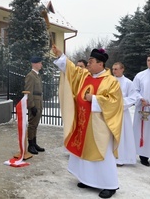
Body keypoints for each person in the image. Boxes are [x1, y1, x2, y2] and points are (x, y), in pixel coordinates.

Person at [52, 45, 123, 198]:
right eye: (89, 61)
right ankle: (87, 179)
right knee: (83, 151)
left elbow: (115, 102)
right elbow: (71, 70)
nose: (88, 64)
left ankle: (110, 185)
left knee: (102, 155)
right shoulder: (85, 75)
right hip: (83, 122)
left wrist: (96, 99)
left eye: (91, 61)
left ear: (100, 64)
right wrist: (60, 55)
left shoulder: (111, 81)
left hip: (99, 127)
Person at [112, 62, 138, 166]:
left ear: (122, 69)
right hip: (110, 113)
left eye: (116, 69)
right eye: (113, 69)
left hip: (122, 113)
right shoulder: (109, 81)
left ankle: (120, 158)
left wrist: (119, 103)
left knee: (122, 135)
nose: (114, 71)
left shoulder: (128, 83)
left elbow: (133, 97)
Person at [24, 56, 45, 155]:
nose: (41, 65)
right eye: (39, 63)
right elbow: (28, 92)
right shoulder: (30, 76)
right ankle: (30, 144)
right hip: (34, 102)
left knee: (35, 124)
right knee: (32, 124)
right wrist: (31, 106)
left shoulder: (37, 75)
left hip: (39, 101)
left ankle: (34, 143)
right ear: (34, 64)